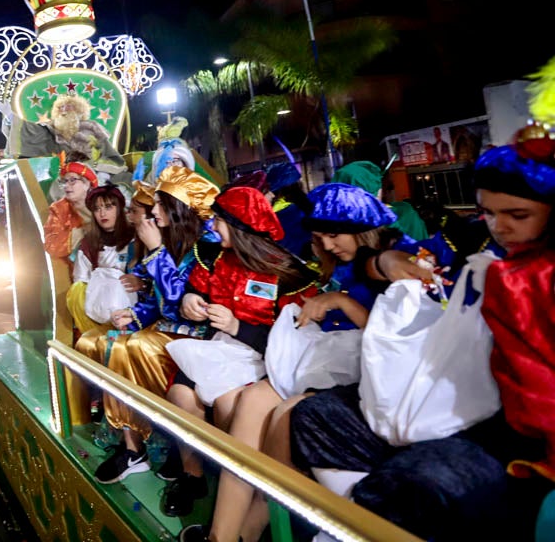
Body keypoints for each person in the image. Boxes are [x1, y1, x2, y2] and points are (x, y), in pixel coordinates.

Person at [287, 129, 555, 541]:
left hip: (515, 436)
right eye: (487, 212)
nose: (499, 227)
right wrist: (384, 261)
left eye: (517, 215)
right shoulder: (475, 243)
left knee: (409, 482)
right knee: (314, 416)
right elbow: (397, 265)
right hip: (451, 395)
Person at [179, 182, 398, 542]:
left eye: (333, 234)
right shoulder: (335, 267)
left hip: (363, 379)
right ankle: (222, 535)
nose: (326, 245)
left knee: (283, 420)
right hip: (312, 363)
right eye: (319, 237)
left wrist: (339, 303)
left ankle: (247, 533)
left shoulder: (390, 266)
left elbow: (392, 338)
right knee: (249, 402)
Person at [160, 185, 319, 517]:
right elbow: (193, 288)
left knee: (227, 406)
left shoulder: (288, 274)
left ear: (240, 226)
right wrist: (190, 299)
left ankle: (234, 498)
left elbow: (295, 343)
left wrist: (237, 327)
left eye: (218, 220)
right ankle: (194, 476)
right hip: (218, 350)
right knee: (179, 394)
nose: (212, 227)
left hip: (262, 360)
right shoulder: (215, 256)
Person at [80, 166, 218, 485]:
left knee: (136, 345)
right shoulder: (167, 240)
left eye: (158, 204)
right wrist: (135, 317)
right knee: (117, 341)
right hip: (167, 328)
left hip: (199, 335)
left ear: (177, 208)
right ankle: (133, 449)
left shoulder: (205, 245)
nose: (152, 211)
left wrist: (156, 251)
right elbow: (157, 300)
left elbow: (178, 299)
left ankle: (172, 441)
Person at [67, 183, 135, 334]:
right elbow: (81, 279)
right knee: (76, 290)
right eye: (97, 209)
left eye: (108, 207)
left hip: (130, 304)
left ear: (119, 209)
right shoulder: (89, 243)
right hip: (98, 306)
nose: (102, 213)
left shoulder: (136, 238)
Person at [43, 158, 96, 265]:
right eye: (64, 181)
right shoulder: (59, 209)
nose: (67, 186)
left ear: (87, 184)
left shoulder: (101, 202)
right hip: (76, 267)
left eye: (72, 180)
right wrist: (83, 230)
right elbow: (53, 247)